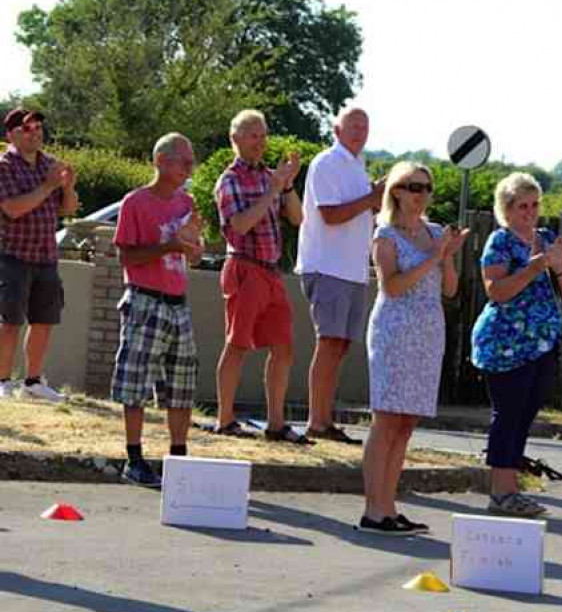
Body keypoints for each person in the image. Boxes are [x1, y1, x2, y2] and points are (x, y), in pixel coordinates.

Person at [359, 162, 468, 535]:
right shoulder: (385, 235)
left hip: (427, 334)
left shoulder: (435, 232)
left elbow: (450, 289)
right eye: (413, 186)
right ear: (396, 191)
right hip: (394, 332)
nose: (421, 194)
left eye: (426, 187)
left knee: (406, 424)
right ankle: (373, 510)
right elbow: (392, 286)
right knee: (386, 420)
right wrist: (434, 257)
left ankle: (389, 506)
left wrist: (448, 255)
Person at [471, 172, 562, 517]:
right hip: (507, 344)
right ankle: (501, 492)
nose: (529, 212)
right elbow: (497, 290)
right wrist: (534, 267)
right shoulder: (499, 241)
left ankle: (511, 490)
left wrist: (559, 267)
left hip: (542, 343)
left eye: (534, 205)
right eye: (522, 206)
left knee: (525, 416)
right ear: (507, 208)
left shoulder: (546, 238)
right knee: (508, 415)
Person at [111, 133, 203, 487]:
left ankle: (177, 459)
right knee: (135, 381)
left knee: (181, 384)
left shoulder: (187, 202)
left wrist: (191, 246)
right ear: (161, 161)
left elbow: (192, 252)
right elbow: (126, 256)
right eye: (184, 161)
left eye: (191, 161)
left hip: (178, 304)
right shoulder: (136, 202)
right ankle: (134, 459)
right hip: (145, 300)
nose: (189, 167)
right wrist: (169, 245)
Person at [213, 110, 305, 444]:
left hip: (271, 271)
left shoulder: (271, 176)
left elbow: (297, 217)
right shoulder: (229, 180)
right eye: (253, 135)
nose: (260, 142)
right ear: (235, 139)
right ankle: (225, 420)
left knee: (283, 347)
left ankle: (276, 424)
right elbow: (238, 225)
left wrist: (288, 185)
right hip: (244, 268)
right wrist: (271, 191)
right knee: (237, 345)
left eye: (263, 135)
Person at [296, 107, 382, 445]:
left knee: (341, 345)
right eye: (354, 126)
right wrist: (371, 198)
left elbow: (360, 211)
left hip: (352, 271)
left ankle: (325, 418)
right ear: (337, 130)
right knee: (329, 342)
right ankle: (316, 421)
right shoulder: (327, 163)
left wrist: (373, 199)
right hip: (327, 266)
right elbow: (330, 215)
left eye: (365, 126)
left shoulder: (357, 167)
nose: (360, 131)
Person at [0, 108, 79, 401]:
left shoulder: (49, 164)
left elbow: (68, 209)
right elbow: (12, 208)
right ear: (11, 134)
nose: (36, 132)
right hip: (12, 254)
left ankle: (33, 383)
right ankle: (3, 382)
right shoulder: (5, 165)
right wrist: (48, 185)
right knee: (9, 322)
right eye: (28, 128)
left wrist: (68, 186)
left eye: (38, 127)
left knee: (43, 321)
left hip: (46, 255)